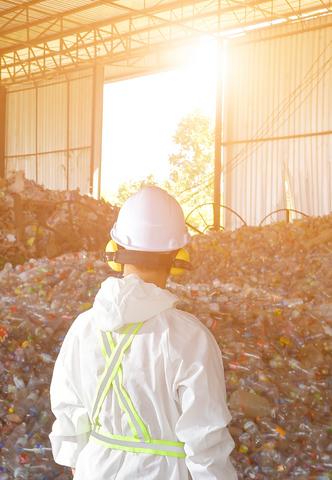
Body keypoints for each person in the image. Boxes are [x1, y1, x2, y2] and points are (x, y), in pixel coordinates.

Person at [49, 186, 237, 479]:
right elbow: (205, 440)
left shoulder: (82, 328)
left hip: (95, 468)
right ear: (178, 259)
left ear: (114, 252)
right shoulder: (190, 338)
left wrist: (83, 464)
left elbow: (68, 412)